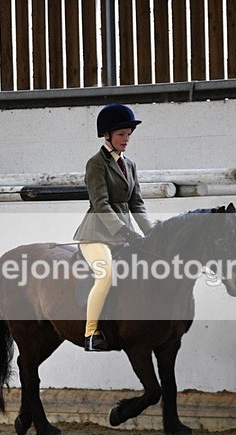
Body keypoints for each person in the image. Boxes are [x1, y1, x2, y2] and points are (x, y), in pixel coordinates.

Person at [73, 103, 153, 352]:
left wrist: (150, 232)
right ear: (107, 135)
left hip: (123, 233)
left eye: (129, 134)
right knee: (105, 275)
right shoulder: (95, 164)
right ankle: (91, 333)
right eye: (121, 134)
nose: (126, 139)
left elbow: (136, 202)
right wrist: (124, 231)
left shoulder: (129, 165)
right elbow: (100, 203)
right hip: (96, 233)